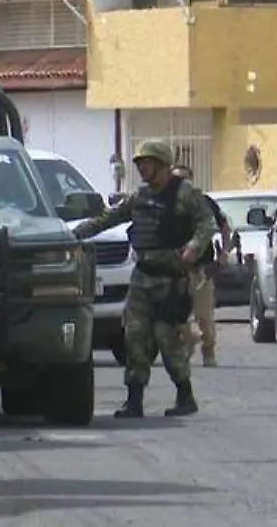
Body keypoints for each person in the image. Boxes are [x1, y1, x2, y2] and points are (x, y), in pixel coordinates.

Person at [71, 139, 217, 418]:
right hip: (142, 277)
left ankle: (185, 396)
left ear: (162, 164)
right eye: (139, 164)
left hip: (172, 279)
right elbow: (109, 219)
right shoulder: (140, 197)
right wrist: (75, 234)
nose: (142, 169)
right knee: (134, 336)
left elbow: (206, 223)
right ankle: (134, 400)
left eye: (147, 163)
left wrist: (194, 248)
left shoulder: (185, 194)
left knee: (166, 337)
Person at [170, 163, 230, 368]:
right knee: (175, 317)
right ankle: (188, 341)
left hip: (202, 269)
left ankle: (208, 351)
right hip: (175, 270)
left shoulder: (204, 202)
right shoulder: (166, 204)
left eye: (185, 178)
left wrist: (224, 254)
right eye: (177, 179)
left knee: (204, 316)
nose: (182, 183)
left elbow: (224, 227)